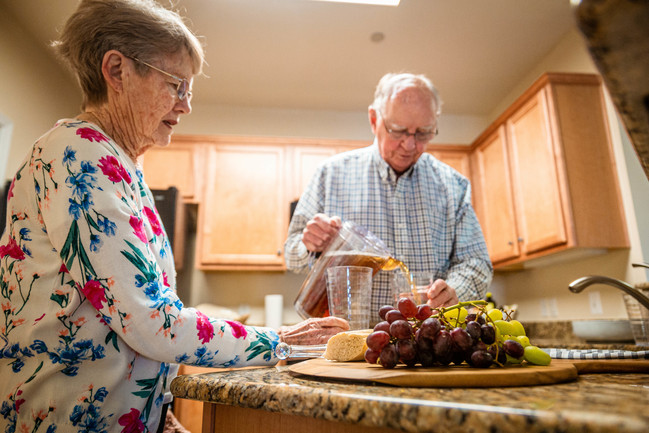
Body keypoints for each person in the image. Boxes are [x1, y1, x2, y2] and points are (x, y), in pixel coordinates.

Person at [0, 1, 348, 432]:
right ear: (117, 70)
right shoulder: (79, 155)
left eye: (189, 90)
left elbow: (125, 322)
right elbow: (150, 320)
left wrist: (157, 415)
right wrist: (283, 343)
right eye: (176, 85)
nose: (185, 105)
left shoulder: (120, 164)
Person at [284, 72, 493, 317]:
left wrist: (455, 290)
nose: (410, 145)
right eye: (398, 131)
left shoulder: (454, 186)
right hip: (348, 343)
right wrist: (309, 243)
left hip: (426, 344)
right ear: (374, 120)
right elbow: (291, 254)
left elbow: (477, 264)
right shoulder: (330, 175)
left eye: (423, 133)